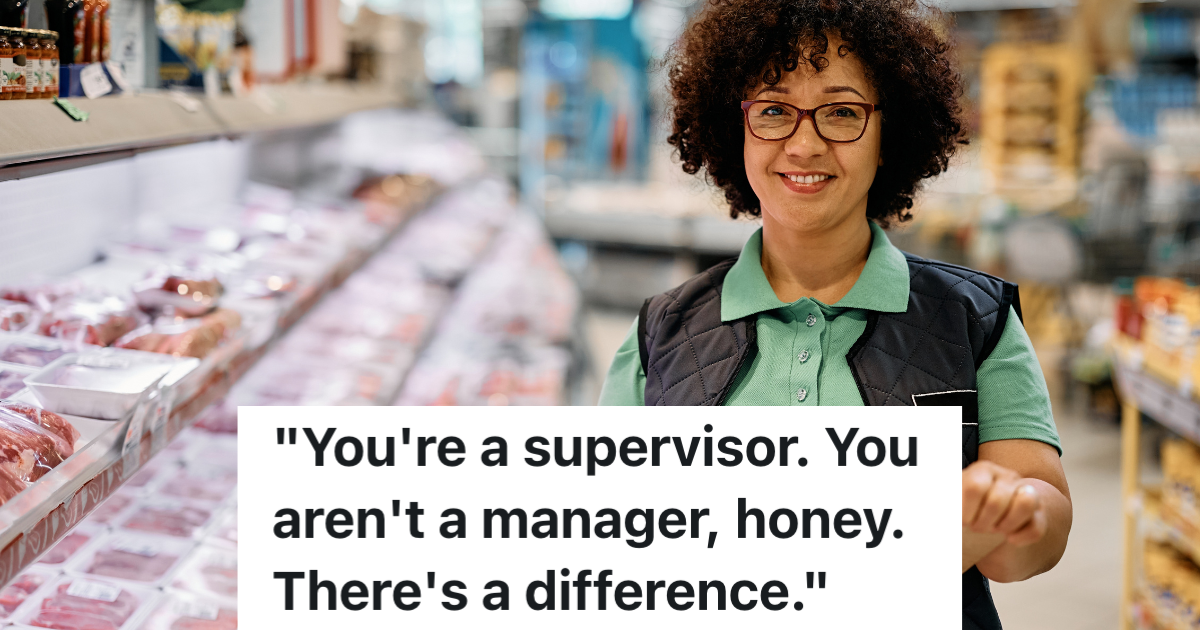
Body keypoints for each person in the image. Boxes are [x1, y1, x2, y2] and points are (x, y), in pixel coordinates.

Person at [597, 1, 1072, 627]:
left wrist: (1008, 514)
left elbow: (1032, 536)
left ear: (889, 135)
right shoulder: (661, 331)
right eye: (772, 110)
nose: (804, 142)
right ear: (735, 130)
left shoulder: (973, 320)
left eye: (842, 112)